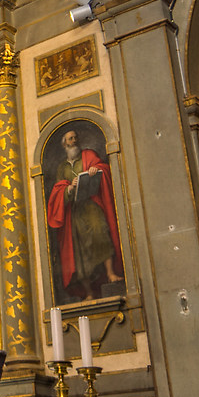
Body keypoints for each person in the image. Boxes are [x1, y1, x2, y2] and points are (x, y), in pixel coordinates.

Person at [45, 127, 123, 301]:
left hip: (92, 205)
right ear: (65, 144)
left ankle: (110, 273)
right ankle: (88, 291)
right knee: (79, 253)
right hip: (74, 213)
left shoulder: (88, 155)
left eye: (75, 137)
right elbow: (58, 190)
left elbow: (102, 167)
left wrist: (95, 170)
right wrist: (69, 188)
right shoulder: (62, 168)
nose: (74, 141)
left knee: (100, 232)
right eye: (70, 139)